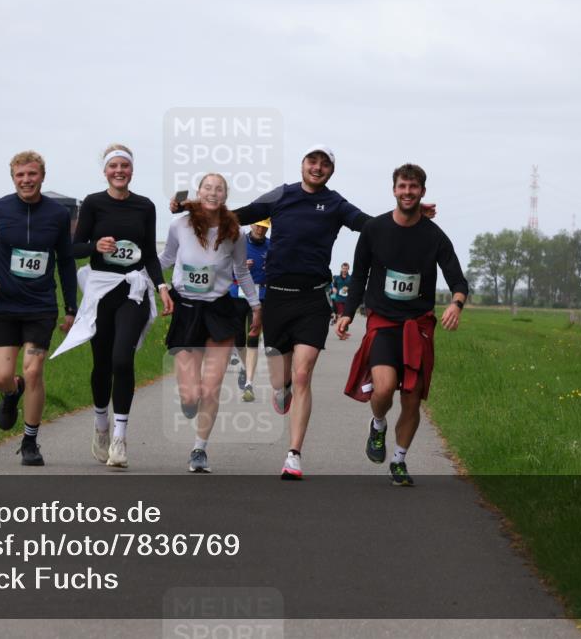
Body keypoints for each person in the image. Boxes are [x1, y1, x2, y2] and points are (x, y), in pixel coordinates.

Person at [171, 145, 434, 480]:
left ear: (331, 171)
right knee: (281, 381)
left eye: (325, 164)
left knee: (302, 375)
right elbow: (240, 214)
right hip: (278, 299)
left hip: (312, 300)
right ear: (303, 164)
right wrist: (189, 205)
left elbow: (368, 225)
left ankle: (293, 455)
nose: (317, 167)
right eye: (313, 161)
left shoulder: (336, 203)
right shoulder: (282, 195)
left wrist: (410, 214)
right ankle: (281, 391)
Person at [336, 163, 468, 487]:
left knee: (411, 398)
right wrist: (347, 313)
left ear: (422, 191)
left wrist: (456, 304)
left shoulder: (434, 236)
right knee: (383, 388)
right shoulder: (374, 229)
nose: (407, 192)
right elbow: (359, 275)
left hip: (417, 325)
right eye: (402, 186)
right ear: (394, 189)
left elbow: (457, 279)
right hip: (383, 321)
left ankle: (398, 460)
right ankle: (378, 424)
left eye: (413, 187)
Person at [52, 144, 173, 468]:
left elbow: (150, 254)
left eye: (124, 166)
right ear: (105, 171)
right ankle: (101, 425)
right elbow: (74, 249)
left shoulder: (145, 206)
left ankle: (120, 438)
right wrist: (96, 245)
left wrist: (161, 287)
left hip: (133, 291)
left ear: (131, 170)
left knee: (122, 359)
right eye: (113, 166)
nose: (119, 171)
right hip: (102, 291)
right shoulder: (94, 203)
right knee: (103, 363)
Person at [0, 151, 78, 466]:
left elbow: (66, 261)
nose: (26, 180)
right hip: (5, 305)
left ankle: (30, 441)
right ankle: (12, 392)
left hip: (40, 307)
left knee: (33, 370)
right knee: (1, 377)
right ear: (13, 178)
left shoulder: (58, 215)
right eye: (20, 175)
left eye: (32, 174)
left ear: (42, 176)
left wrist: (71, 307)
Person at [159, 174, 261, 473]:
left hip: (219, 311)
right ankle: (189, 402)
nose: (213, 193)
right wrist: (140, 274)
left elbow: (242, 271)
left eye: (219, 189)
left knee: (211, 387)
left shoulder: (234, 233)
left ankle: (199, 449)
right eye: (207, 188)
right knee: (191, 394)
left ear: (225, 196)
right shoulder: (180, 225)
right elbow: (166, 258)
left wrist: (256, 306)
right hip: (186, 310)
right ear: (199, 192)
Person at [228, 219, 270, 402]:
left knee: (252, 337)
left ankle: (249, 384)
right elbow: (223, 267)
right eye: (258, 226)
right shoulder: (238, 242)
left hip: (260, 296)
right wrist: (239, 266)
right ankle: (244, 367)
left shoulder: (271, 246)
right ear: (252, 225)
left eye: (265, 227)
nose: (260, 230)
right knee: (238, 340)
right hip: (237, 294)